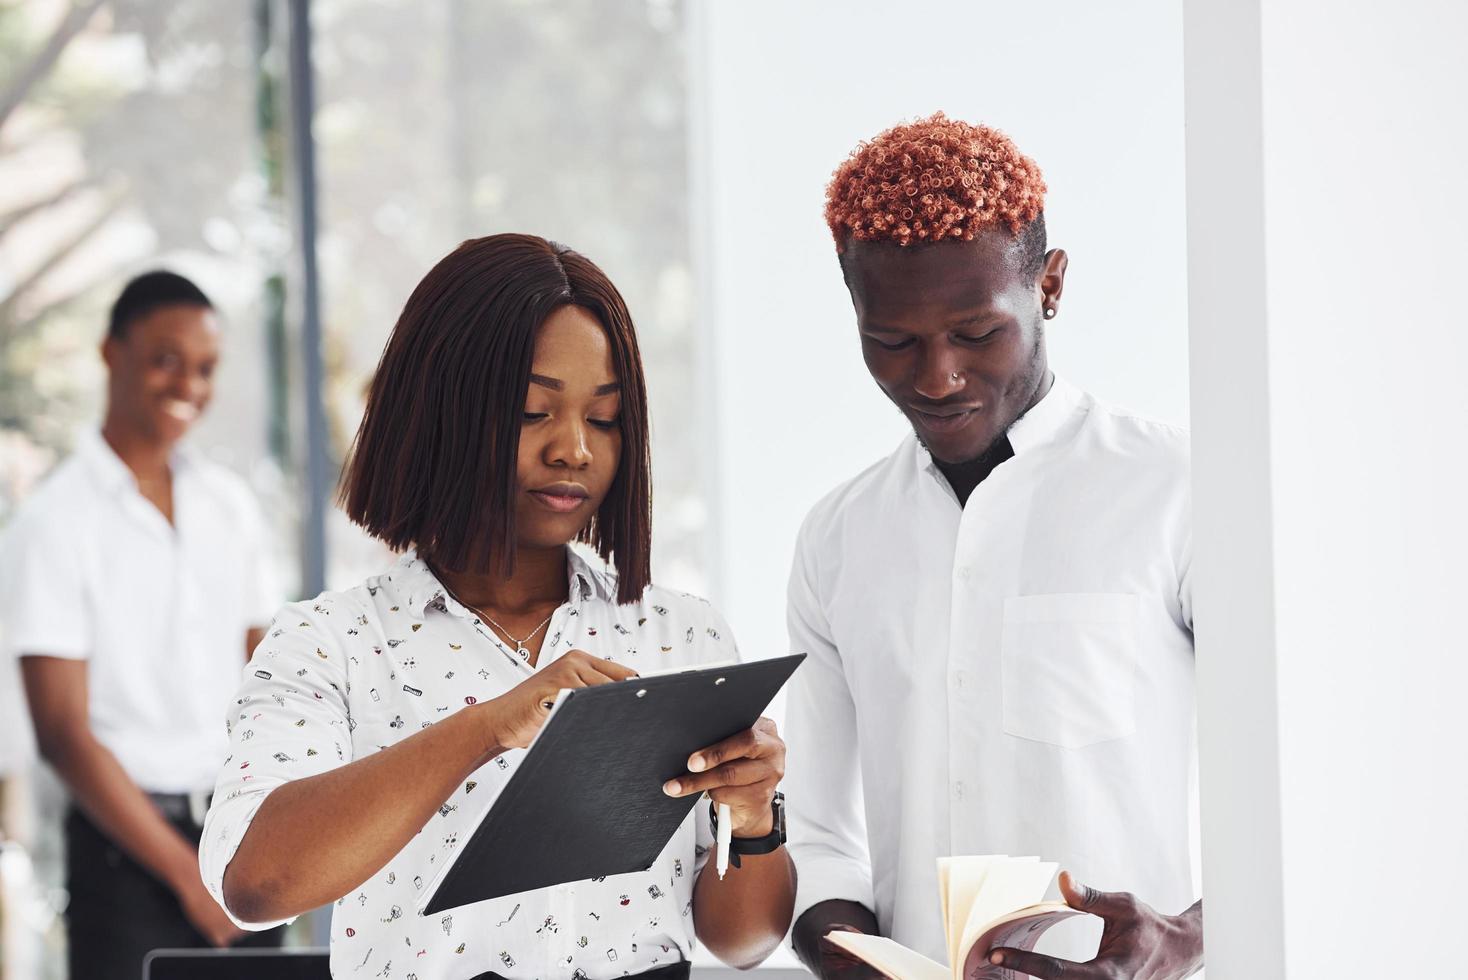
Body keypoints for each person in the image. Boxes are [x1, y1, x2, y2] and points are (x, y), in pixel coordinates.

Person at [200, 233, 797, 980]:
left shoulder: (681, 634)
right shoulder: (332, 643)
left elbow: (742, 943)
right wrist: (490, 725)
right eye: (531, 413)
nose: (574, 450)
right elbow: (258, 885)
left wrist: (754, 815)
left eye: (604, 420)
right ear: (439, 411)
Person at [783, 114, 1204, 980]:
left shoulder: (1181, 490)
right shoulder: (836, 539)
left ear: (1050, 287)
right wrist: (851, 959)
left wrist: (1189, 936)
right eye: (892, 341)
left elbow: (1305, 778)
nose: (936, 378)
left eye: (977, 333)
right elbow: (821, 839)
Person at [0, 271, 284, 980]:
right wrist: (187, 876)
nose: (188, 383)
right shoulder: (52, 524)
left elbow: (272, 681)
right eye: (165, 359)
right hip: (122, 862)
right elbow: (63, 733)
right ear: (111, 353)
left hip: (242, 846)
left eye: (206, 368)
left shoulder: (231, 507)